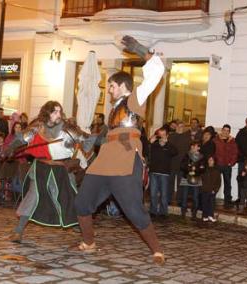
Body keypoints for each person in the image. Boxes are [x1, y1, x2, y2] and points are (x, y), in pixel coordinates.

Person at [74, 36, 166, 265]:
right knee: (82, 203)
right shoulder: (113, 111)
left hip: (125, 160)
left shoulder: (136, 98)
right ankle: (89, 242)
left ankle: (157, 250)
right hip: (104, 160)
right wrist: (85, 140)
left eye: (112, 86)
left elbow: (156, 72)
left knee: (134, 210)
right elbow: (106, 136)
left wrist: (140, 50)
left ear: (123, 86)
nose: (110, 90)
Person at [9, 101, 90, 243]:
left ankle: (80, 226)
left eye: (60, 111)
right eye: (55, 112)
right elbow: (21, 138)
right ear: (48, 113)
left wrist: (102, 139)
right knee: (32, 197)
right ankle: (18, 231)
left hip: (61, 168)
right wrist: (10, 148)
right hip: (42, 167)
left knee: (70, 195)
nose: (58, 114)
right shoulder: (38, 126)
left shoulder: (67, 128)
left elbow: (85, 139)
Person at [149, 128, 178, 218]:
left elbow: (175, 152)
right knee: (153, 193)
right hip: (153, 172)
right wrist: (150, 143)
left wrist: (167, 143)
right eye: (160, 135)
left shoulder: (170, 145)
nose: (161, 136)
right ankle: (153, 211)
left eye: (163, 134)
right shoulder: (154, 144)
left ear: (167, 135)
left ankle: (163, 212)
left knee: (164, 194)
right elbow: (146, 152)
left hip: (164, 173)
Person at [214, 124, 238, 208]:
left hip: (227, 166)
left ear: (229, 132)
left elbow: (235, 153)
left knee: (228, 184)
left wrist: (231, 163)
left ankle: (227, 201)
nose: (226, 132)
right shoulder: (215, 140)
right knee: (215, 183)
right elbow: (213, 152)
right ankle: (212, 198)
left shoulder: (232, 141)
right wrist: (214, 162)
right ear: (222, 130)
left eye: (228, 131)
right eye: (224, 130)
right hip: (217, 165)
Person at [168, 120, 191, 206]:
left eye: (182, 126)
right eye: (179, 126)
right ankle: (168, 199)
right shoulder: (171, 136)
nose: (181, 128)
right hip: (172, 163)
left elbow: (189, 150)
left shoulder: (187, 137)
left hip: (182, 164)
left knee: (181, 183)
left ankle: (179, 200)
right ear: (176, 127)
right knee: (170, 182)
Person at [179, 141, 203, 219]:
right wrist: (189, 169)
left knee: (195, 197)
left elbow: (203, 168)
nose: (193, 147)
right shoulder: (186, 155)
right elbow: (182, 166)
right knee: (184, 196)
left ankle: (194, 214)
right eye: (192, 146)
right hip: (186, 177)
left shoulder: (202, 157)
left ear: (198, 148)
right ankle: (183, 213)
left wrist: (195, 171)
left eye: (195, 146)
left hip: (197, 178)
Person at [201, 156, 221, 222]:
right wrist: (202, 187)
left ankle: (210, 215)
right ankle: (205, 216)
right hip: (205, 189)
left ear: (214, 161)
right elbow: (201, 179)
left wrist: (215, 190)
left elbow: (218, 182)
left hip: (212, 190)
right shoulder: (204, 169)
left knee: (211, 203)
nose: (210, 161)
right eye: (209, 160)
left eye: (212, 160)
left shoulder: (217, 171)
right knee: (205, 203)